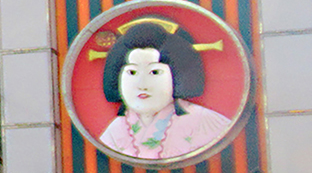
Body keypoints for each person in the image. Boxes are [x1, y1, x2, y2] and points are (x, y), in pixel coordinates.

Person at [98, 21, 231, 161]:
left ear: (177, 75)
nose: (142, 85)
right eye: (131, 72)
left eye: (154, 72)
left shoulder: (206, 122)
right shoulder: (115, 130)